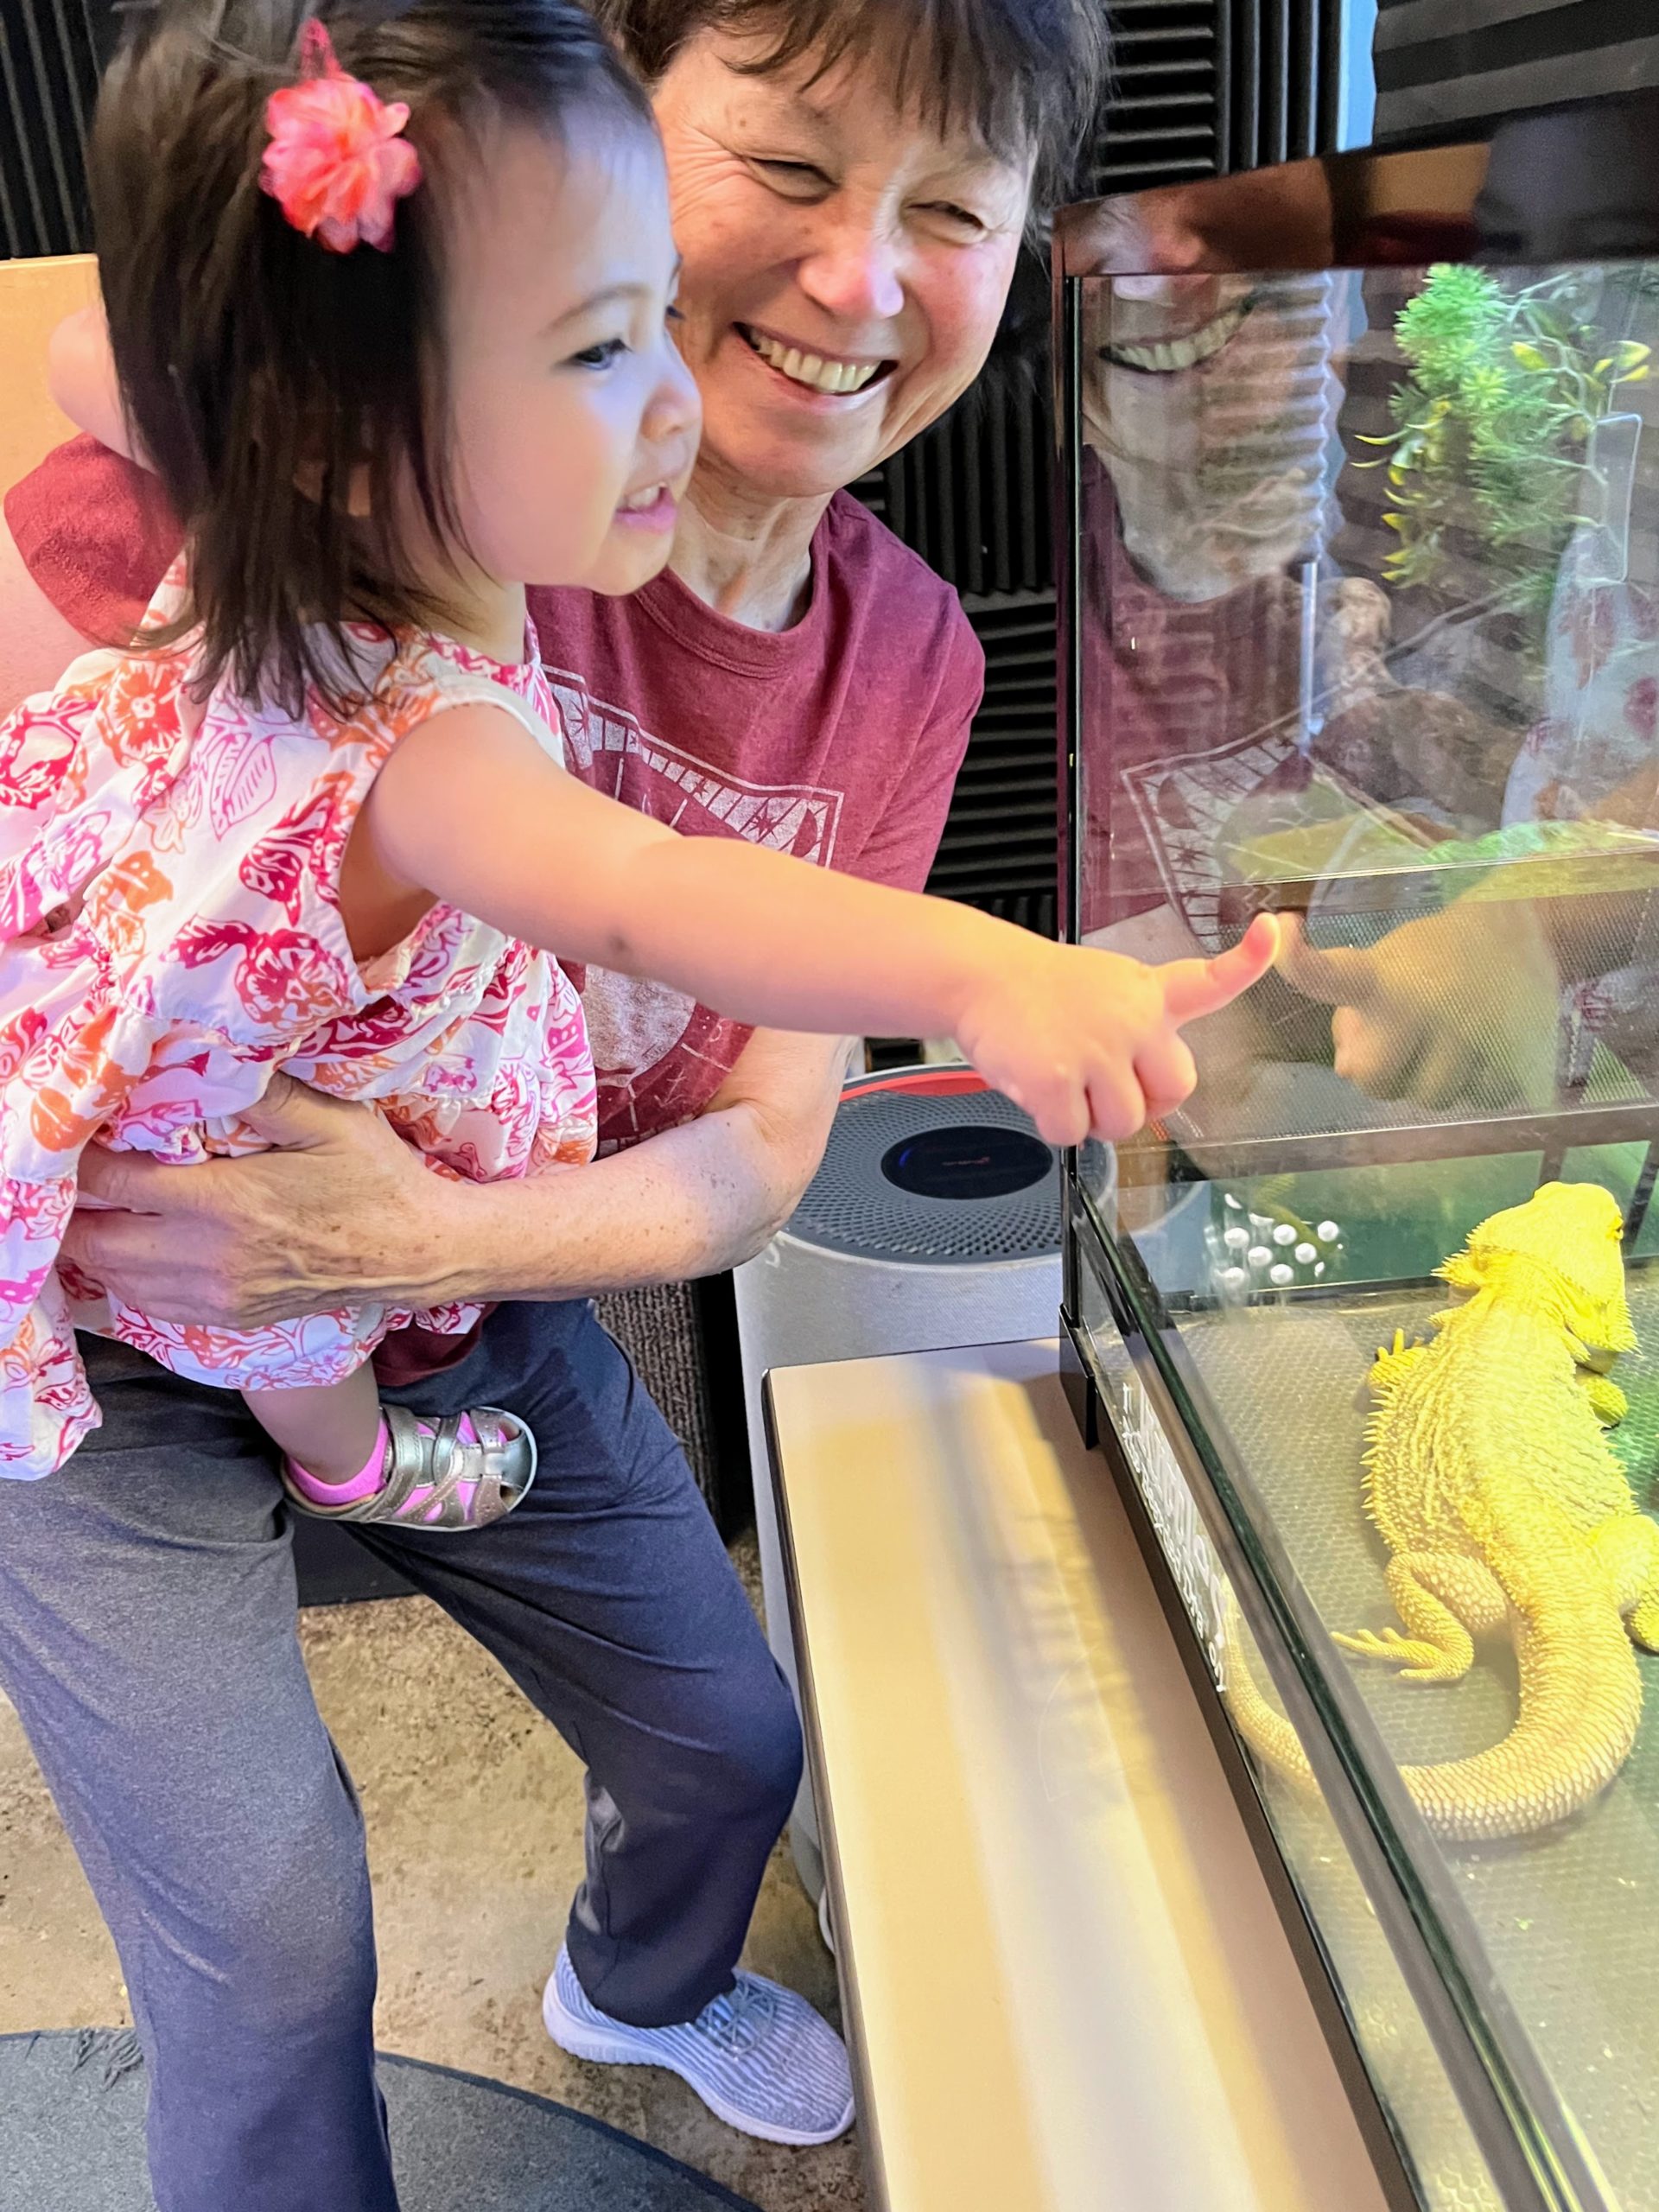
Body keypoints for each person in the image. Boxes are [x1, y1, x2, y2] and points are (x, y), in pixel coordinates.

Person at [0, 2, 1119, 2205]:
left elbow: (768, 1129)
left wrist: (394, 1245)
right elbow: (670, 891)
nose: (851, 288)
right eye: (789, 174)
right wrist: (1001, 961)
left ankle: (637, 1958)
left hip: (431, 1284)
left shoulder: (761, 607)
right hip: (100, 1331)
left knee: (728, 1726)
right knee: (267, 1929)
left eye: (955, 214)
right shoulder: (431, 623)